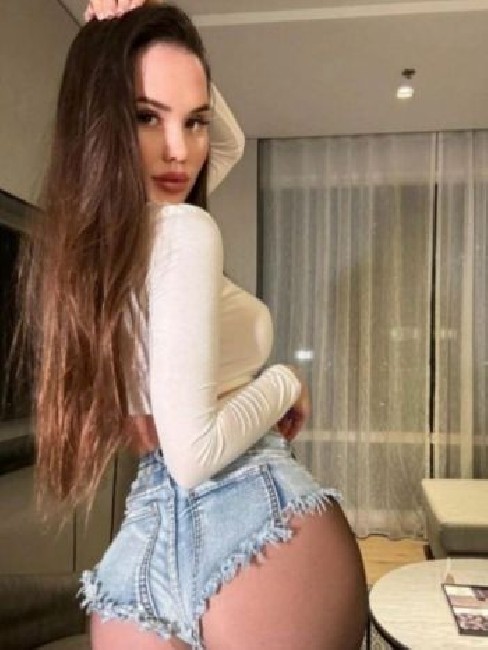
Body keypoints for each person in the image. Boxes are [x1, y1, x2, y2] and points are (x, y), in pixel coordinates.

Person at [18, 2, 368, 648]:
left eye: (194, 120)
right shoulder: (182, 230)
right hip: (248, 505)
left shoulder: (89, 249)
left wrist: (149, 19)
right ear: (101, 122)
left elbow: (224, 144)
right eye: (146, 117)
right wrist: (285, 383)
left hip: (146, 539)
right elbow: (194, 456)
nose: (180, 150)